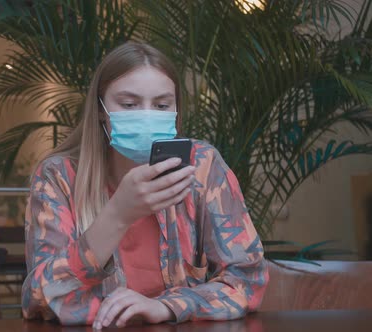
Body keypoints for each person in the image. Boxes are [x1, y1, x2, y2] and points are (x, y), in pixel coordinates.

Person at [21, 42, 269, 328]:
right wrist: (118, 214)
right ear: (101, 109)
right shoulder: (58, 177)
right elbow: (38, 298)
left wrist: (165, 307)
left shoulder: (202, 166)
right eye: (129, 104)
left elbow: (248, 281)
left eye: (162, 105)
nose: (147, 115)